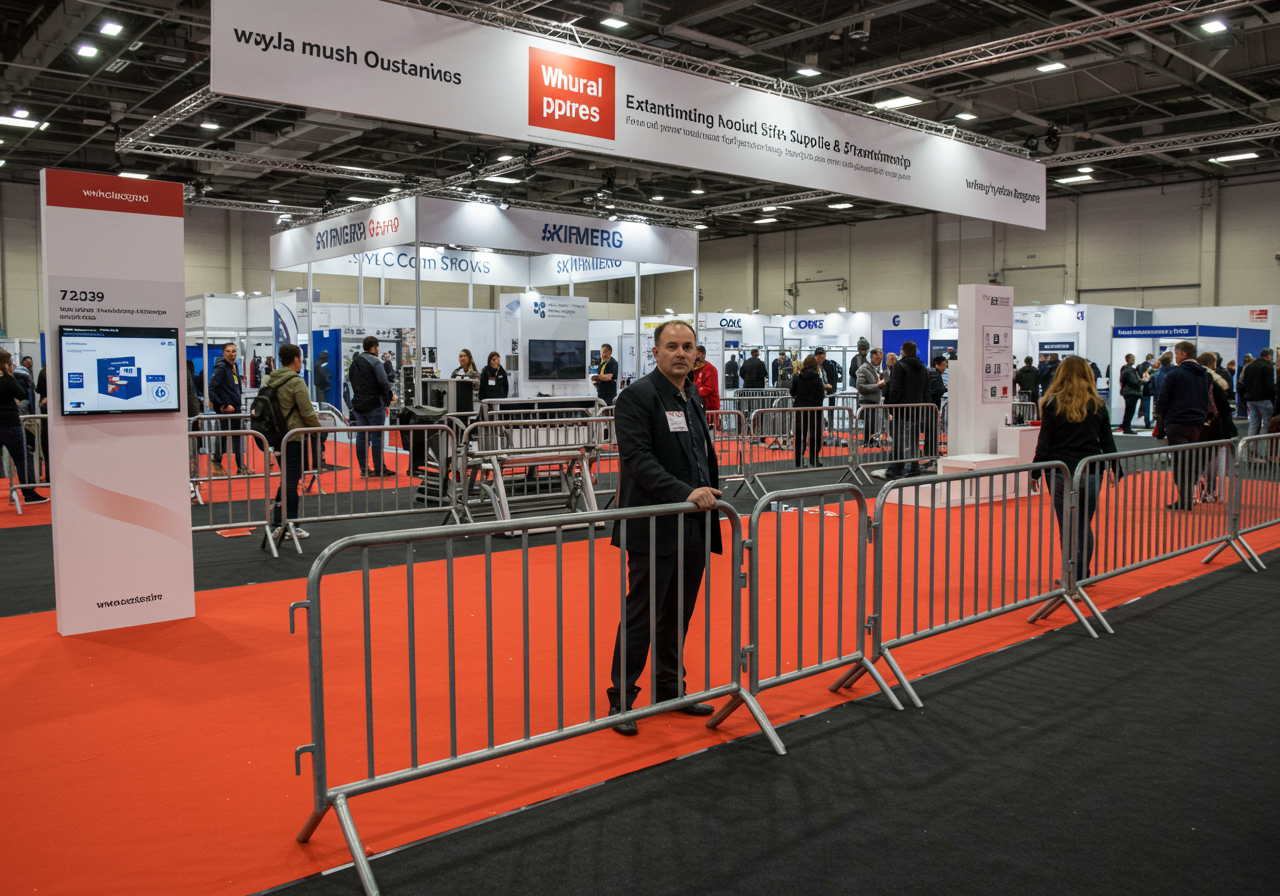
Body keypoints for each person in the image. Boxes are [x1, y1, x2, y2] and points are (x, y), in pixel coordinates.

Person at [607, 319, 721, 736]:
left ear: (696, 354)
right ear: (654, 352)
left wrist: (705, 494)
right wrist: (686, 492)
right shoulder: (635, 397)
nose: (680, 353)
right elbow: (638, 460)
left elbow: (698, 454)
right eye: (671, 346)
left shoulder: (689, 395)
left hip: (693, 524)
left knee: (679, 613)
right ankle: (621, 700)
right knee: (642, 613)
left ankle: (670, 689)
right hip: (653, 525)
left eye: (687, 347)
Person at [1031, 355, 1119, 579]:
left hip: (1061, 471)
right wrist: (1115, 468)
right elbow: (1107, 440)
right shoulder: (1097, 403)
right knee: (1083, 525)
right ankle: (1082, 574)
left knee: (1068, 526)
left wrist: (1035, 471)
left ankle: (1072, 577)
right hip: (1091, 470)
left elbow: (1045, 441)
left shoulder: (1051, 403)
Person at [266, 343, 321, 541]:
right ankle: (289, 525)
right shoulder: (296, 381)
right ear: (297, 359)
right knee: (291, 481)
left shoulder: (270, 379)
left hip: (276, 437)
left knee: (286, 479)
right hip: (292, 437)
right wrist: (320, 429)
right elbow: (307, 412)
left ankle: (280, 523)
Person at [1156, 341, 1210, 510]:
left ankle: (1185, 499)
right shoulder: (1204, 375)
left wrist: (1160, 423)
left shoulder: (1174, 374)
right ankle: (1188, 497)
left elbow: (1163, 400)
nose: (1176, 356)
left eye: (1177, 353)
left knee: (1180, 462)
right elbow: (1206, 399)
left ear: (1183, 354)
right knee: (1192, 460)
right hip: (1197, 423)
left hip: (1178, 422)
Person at [0, 349, 46, 504]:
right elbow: (22, 394)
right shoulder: (7, 379)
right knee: (22, 458)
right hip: (9, 424)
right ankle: (29, 493)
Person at [348, 335, 397, 477]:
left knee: (361, 436)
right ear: (374, 347)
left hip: (358, 404)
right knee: (376, 437)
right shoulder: (375, 362)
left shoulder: (354, 362)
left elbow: (351, 381)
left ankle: (364, 469)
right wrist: (390, 396)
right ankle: (379, 468)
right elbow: (383, 382)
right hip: (374, 404)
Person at [883, 341, 930, 479]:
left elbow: (895, 389)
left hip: (902, 409)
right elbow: (926, 390)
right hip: (917, 409)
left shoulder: (899, 366)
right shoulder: (922, 368)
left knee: (899, 440)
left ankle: (896, 469)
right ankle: (913, 468)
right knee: (914, 441)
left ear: (903, 351)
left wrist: (891, 407)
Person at [1197, 352, 1238, 501]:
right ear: (1211, 364)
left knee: (1198, 459)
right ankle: (1210, 491)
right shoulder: (1214, 381)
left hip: (1198, 425)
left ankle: (1200, 492)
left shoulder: (1194, 379)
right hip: (1214, 427)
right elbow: (1223, 406)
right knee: (1211, 461)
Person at [207, 342, 251, 476]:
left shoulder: (234, 367)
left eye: (234, 351)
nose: (232, 354)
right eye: (228, 351)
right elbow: (213, 389)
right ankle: (218, 463)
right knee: (224, 436)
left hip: (236, 408)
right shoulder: (221, 367)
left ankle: (240, 466)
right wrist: (223, 405)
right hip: (227, 410)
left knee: (236, 437)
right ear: (223, 353)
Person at [790, 354, 825, 467]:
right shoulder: (817, 379)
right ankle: (814, 460)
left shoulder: (797, 377)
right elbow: (821, 395)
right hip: (815, 411)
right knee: (814, 435)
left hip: (800, 410)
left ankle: (798, 461)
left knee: (800, 436)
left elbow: (792, 392)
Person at [1239, 348, 1275, 437]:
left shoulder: (1249, 366)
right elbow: (1269, 385)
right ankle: (1263, 448)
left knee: (1254, 424)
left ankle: (1249, 447)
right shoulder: (1268, 367)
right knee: (1267, 424)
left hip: (1251, 400)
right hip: (1264, 399)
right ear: (1269, 356)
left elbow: (1243, 382)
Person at [691, 345, 721, 416]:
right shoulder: (695, 370)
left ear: (703, 355)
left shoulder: (710, 369)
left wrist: (692, 392)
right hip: (698, 405)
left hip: (710, 406)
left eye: (697, 356)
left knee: (710, 426)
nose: (695, 358)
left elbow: (708, 388)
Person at [1150, 352, 1174, 437]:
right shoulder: (1174, 371)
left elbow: (1152, 387)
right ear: (1170, 360)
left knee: (1160, 415)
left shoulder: (1156, 374)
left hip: (1158, 397)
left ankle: (1160, 432)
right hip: (1171, 398)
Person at [1118, 354, 1142, 434]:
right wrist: (1143, 382)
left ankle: (1126, 427)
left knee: (1128, 411)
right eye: (1132, 358)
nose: (1134, 360)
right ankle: (1127, 428)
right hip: (1131, 393)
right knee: (1130, 411)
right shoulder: (1129, 370)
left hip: (1128, 392)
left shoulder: (1124, 369)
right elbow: (1134, 381)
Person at [815, 347, 841, 421]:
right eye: (820, 355)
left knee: (830, 409)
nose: (822, 357)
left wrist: (832, 389)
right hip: (819, 392)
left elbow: (833, 377)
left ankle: (830, 423)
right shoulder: (814, 365)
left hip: (829, 391)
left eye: (823, 355)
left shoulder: (829, 364)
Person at [1137, 353, 1156, 428]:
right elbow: (1147, 379)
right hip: (1148, 389)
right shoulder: (1149, 368)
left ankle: (1146, 421)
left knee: (1145, 406)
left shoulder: (1140, 366)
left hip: (1142, 389)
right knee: (1149, 406)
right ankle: (1148, 422)